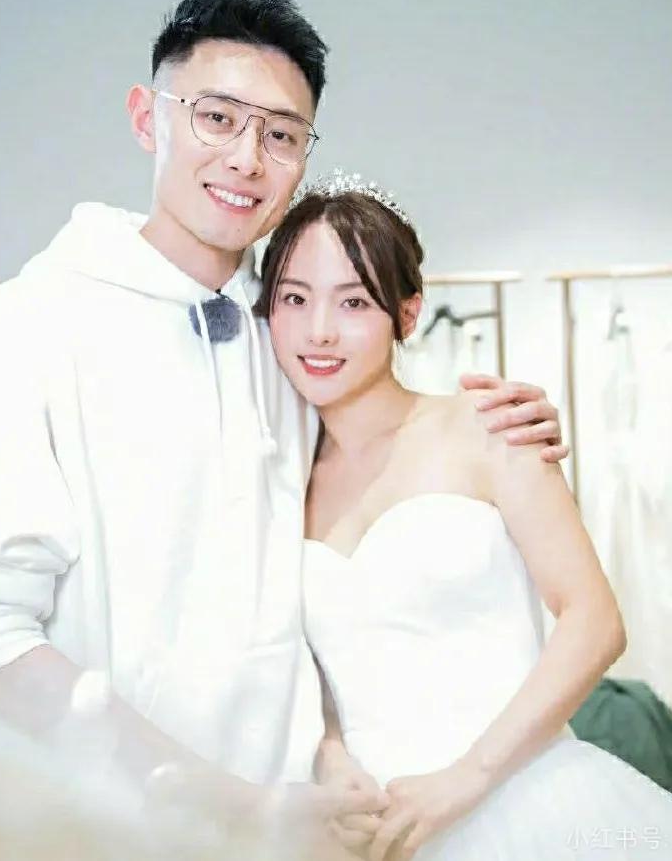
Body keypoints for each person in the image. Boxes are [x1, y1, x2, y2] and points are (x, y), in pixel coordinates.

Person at [0, 0, 566, 853]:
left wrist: (501, 426)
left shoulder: (286, 335)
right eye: (216, 118)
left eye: (281, 134)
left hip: (302, 830)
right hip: (91, 834)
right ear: (147, 117)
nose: (247, 158)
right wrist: (218, 802)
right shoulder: (12, 338)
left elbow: (369, 508)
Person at [255, 171, 672, 860]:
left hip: (523, 797)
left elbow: (595, 622)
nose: (318, 331)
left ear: (407, 313)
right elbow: (309, 660)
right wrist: (330, 753)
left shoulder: (490, 426)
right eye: (294, 299)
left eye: (353, 301)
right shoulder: (277, 479)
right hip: (374, 825)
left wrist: (465, 779)